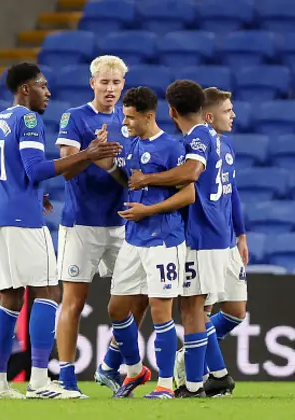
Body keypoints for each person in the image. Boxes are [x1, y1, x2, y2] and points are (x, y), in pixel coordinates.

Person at [0, 62, 122, 399]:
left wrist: (20, 191)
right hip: (23, 221)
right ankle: (39, 382)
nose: (48, 93)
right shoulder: (28, 119)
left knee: (10, 298)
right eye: (42, 85)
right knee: (46, 293)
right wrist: (88, 153)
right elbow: (35, 168)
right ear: (26, 88)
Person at [54, 55, 149, 396]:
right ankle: (66, 378)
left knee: (139, 297)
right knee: (74, 301)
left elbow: (133, 176)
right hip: (82, 223)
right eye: (104, 82)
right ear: (91, 83)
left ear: (124, 84)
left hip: (122, 223)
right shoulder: (75, 117)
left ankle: (109, 363)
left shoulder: (132, 121)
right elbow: (65, 169)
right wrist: (90, 153)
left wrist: (115, 168)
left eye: (116, 82)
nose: (110, 88)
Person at [129, 80, 230, 398]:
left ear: (171, 111)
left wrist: (148, 178)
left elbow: (190, 173)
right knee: (195, 310)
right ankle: (210, 378)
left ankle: (196, 384)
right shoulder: (205, 135)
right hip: (210, 232)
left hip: (202, 233)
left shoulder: (199, 135)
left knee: (193, 311)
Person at [94, 86, 195, 399]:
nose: (126, 122)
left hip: (163, 239)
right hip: (134, 238)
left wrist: (147, 210)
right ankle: (136, 371)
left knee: (161, 311)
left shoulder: (171, 147)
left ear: (149, 116)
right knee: (116, 307)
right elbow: (130, 180)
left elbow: (188, 193)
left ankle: (165, 384)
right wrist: (108, 166)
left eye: (131, 117)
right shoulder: (131, 144)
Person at [173, 87, 247, 397]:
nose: (233, 115)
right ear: (208, 115)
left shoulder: (226, 144)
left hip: (225, 240)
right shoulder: (197, 141)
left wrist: (241, 234)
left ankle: (204, 362)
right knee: (198, 311)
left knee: (235, 311)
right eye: (227, 110)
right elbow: (188, 182)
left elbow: (233, 194)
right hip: (201, 238)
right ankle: (209, 378)